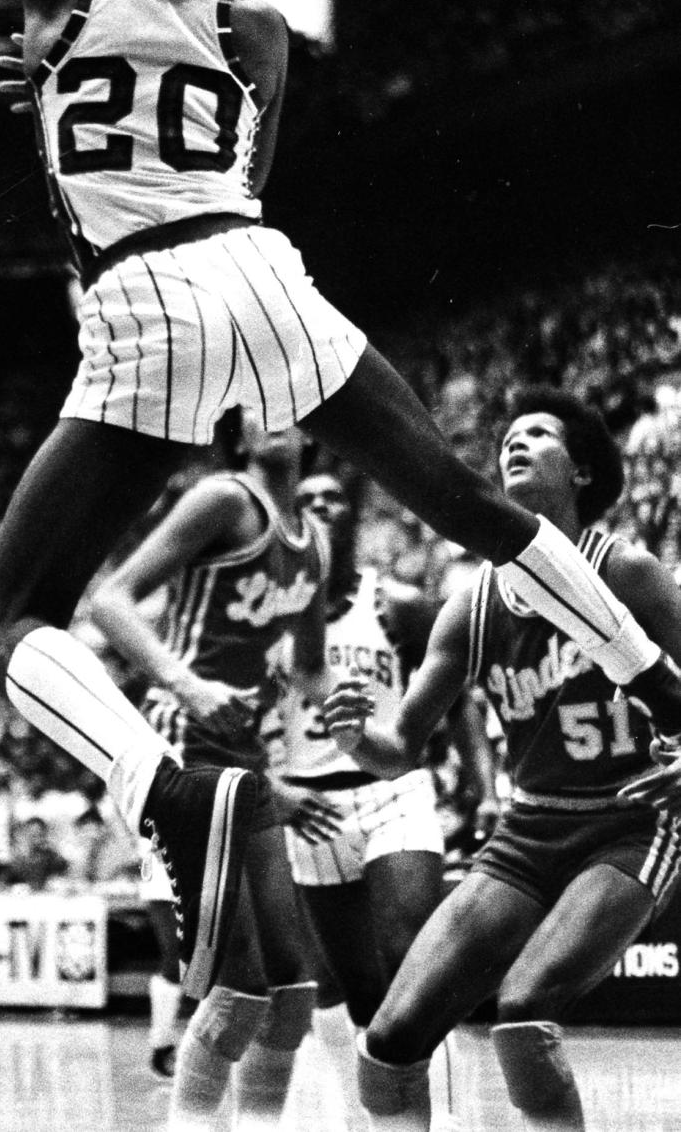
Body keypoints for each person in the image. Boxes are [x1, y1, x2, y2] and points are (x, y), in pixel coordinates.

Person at [0, 0, 681, 1009]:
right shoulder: (256, 28)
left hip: (139, 296)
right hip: (257, 265)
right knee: (465, 501)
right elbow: (250, 171)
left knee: (12, 613)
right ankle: (652, 677)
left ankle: (152, 784)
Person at [323, 389, 681, 1132]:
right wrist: (358, 736)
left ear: (582, 472)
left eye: (539, 433)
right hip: (528, 834)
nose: (515, 442)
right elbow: (399, 748)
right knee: (386, 1043)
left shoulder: (629, 571)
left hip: (633, 824)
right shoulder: (472, 604)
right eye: (507, 436)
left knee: (523, 1016)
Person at [90, 417, 342, 1131]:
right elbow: (111, 599)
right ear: (239, 433)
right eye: (259, 403)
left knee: (294, 987)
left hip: (241, 756)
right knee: (242, 984)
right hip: (179, 739)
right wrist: (185, 680)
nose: (281, 413)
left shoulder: (314, 541)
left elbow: (312, 671)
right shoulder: (224, 499)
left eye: (289, 399)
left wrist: (374, 731)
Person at [276, 466, 485, 1124]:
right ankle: (376, 1115)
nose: (318, 507)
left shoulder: (398, 603)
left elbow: (455, 693)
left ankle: (449, 1116)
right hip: (310, 810)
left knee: (409, 958)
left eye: (331, 498)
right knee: (362, 994)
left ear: (353, 516)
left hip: (394, 788)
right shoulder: (263, 620)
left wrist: (480, 773)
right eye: (304, 499)